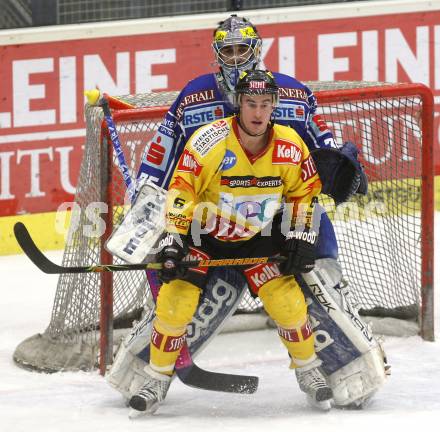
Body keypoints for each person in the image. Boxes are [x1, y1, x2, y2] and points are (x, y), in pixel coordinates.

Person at [128, 70, 333, 417]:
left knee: (287, 303)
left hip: (259, 237)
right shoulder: (209, 141)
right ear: (239, 103)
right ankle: (156, 377)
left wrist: (300, 238)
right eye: (251, 103)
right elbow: (182, 192)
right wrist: (176, 239)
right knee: (175, 304)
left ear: (274, 107)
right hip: (204, 237)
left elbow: (303, 194)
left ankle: (308, 368)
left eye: (265, 104)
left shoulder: (290, 146)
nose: (257, 112)